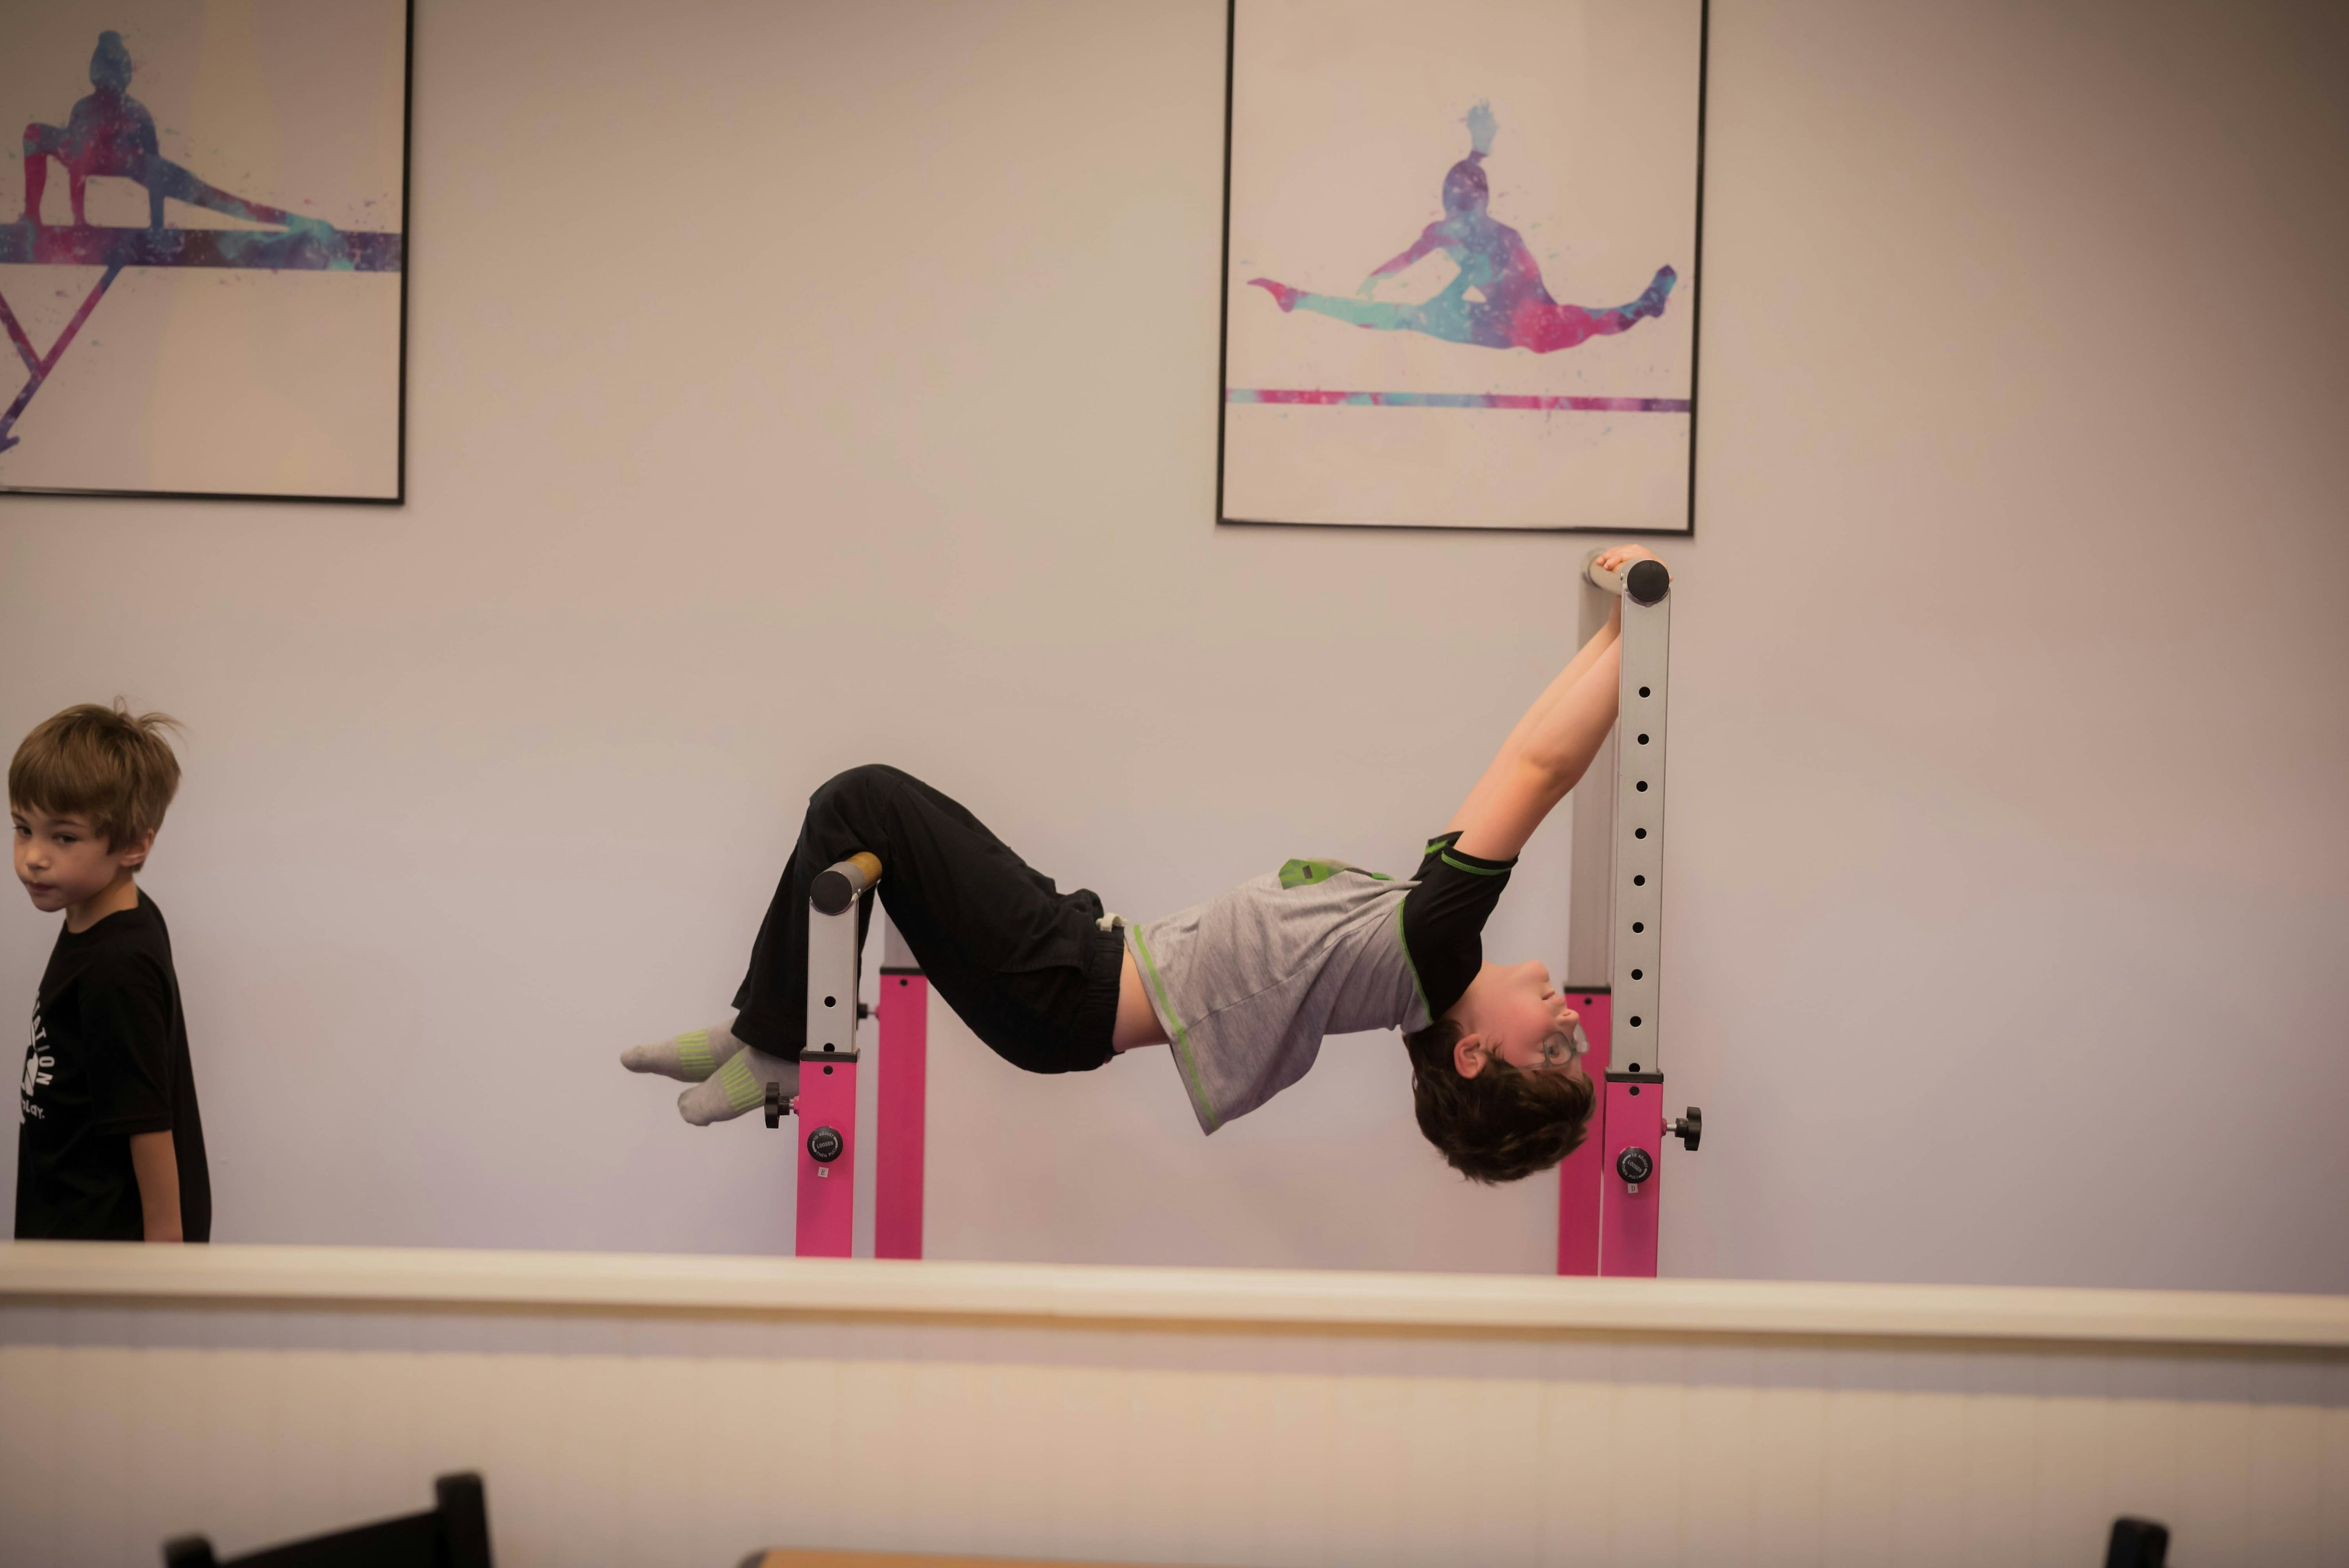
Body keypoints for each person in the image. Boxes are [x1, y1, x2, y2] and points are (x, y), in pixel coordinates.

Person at [625, 547, 1659, 1183]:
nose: (1575, 1025)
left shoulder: (1430, 949)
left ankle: (775, 1042)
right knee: (869, 814)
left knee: (863, 801)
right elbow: (1524, 745)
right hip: (1079, 949)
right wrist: (1622, 625)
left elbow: (1540, 764)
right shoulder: (1425, 945)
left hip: (1062, 989)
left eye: (1557, 1054)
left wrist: (1647, 628)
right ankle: (771, 1023)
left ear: (1476, 1054)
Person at [1247, 102, 1674, 355]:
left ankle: (1645, 305)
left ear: (1483, 205)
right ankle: (1298, 300)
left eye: (1464, 209)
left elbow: (1484, 281)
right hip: (1493, 317)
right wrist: (1379, 276)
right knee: (1397, 316)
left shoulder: (1503, 238)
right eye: (1452, 208)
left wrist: (1441, 302)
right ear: (1446, 205)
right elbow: (1409, 256)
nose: (1457, 218)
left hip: (1531, 322)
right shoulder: (1443, 231)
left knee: (1586, 322)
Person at [10, 701, 209, 1243]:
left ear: (133, 845)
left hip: (100, 1258)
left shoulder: (116, 965)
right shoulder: (98, 914)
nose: (33, 857)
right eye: (23, 828)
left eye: (64, 837)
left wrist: (159, 1276)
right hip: (68, 1233)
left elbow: (149, 1129)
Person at [20, 30, 332, 236]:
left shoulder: (135, 113)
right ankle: (31, 216)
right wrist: (79, 224)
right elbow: (78, 167)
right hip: (114, 160)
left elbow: (154, 171)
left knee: (217, 199)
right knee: (36, 134)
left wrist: (156, 226)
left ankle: (300, 224)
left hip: (135, 164)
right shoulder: (86, 111)